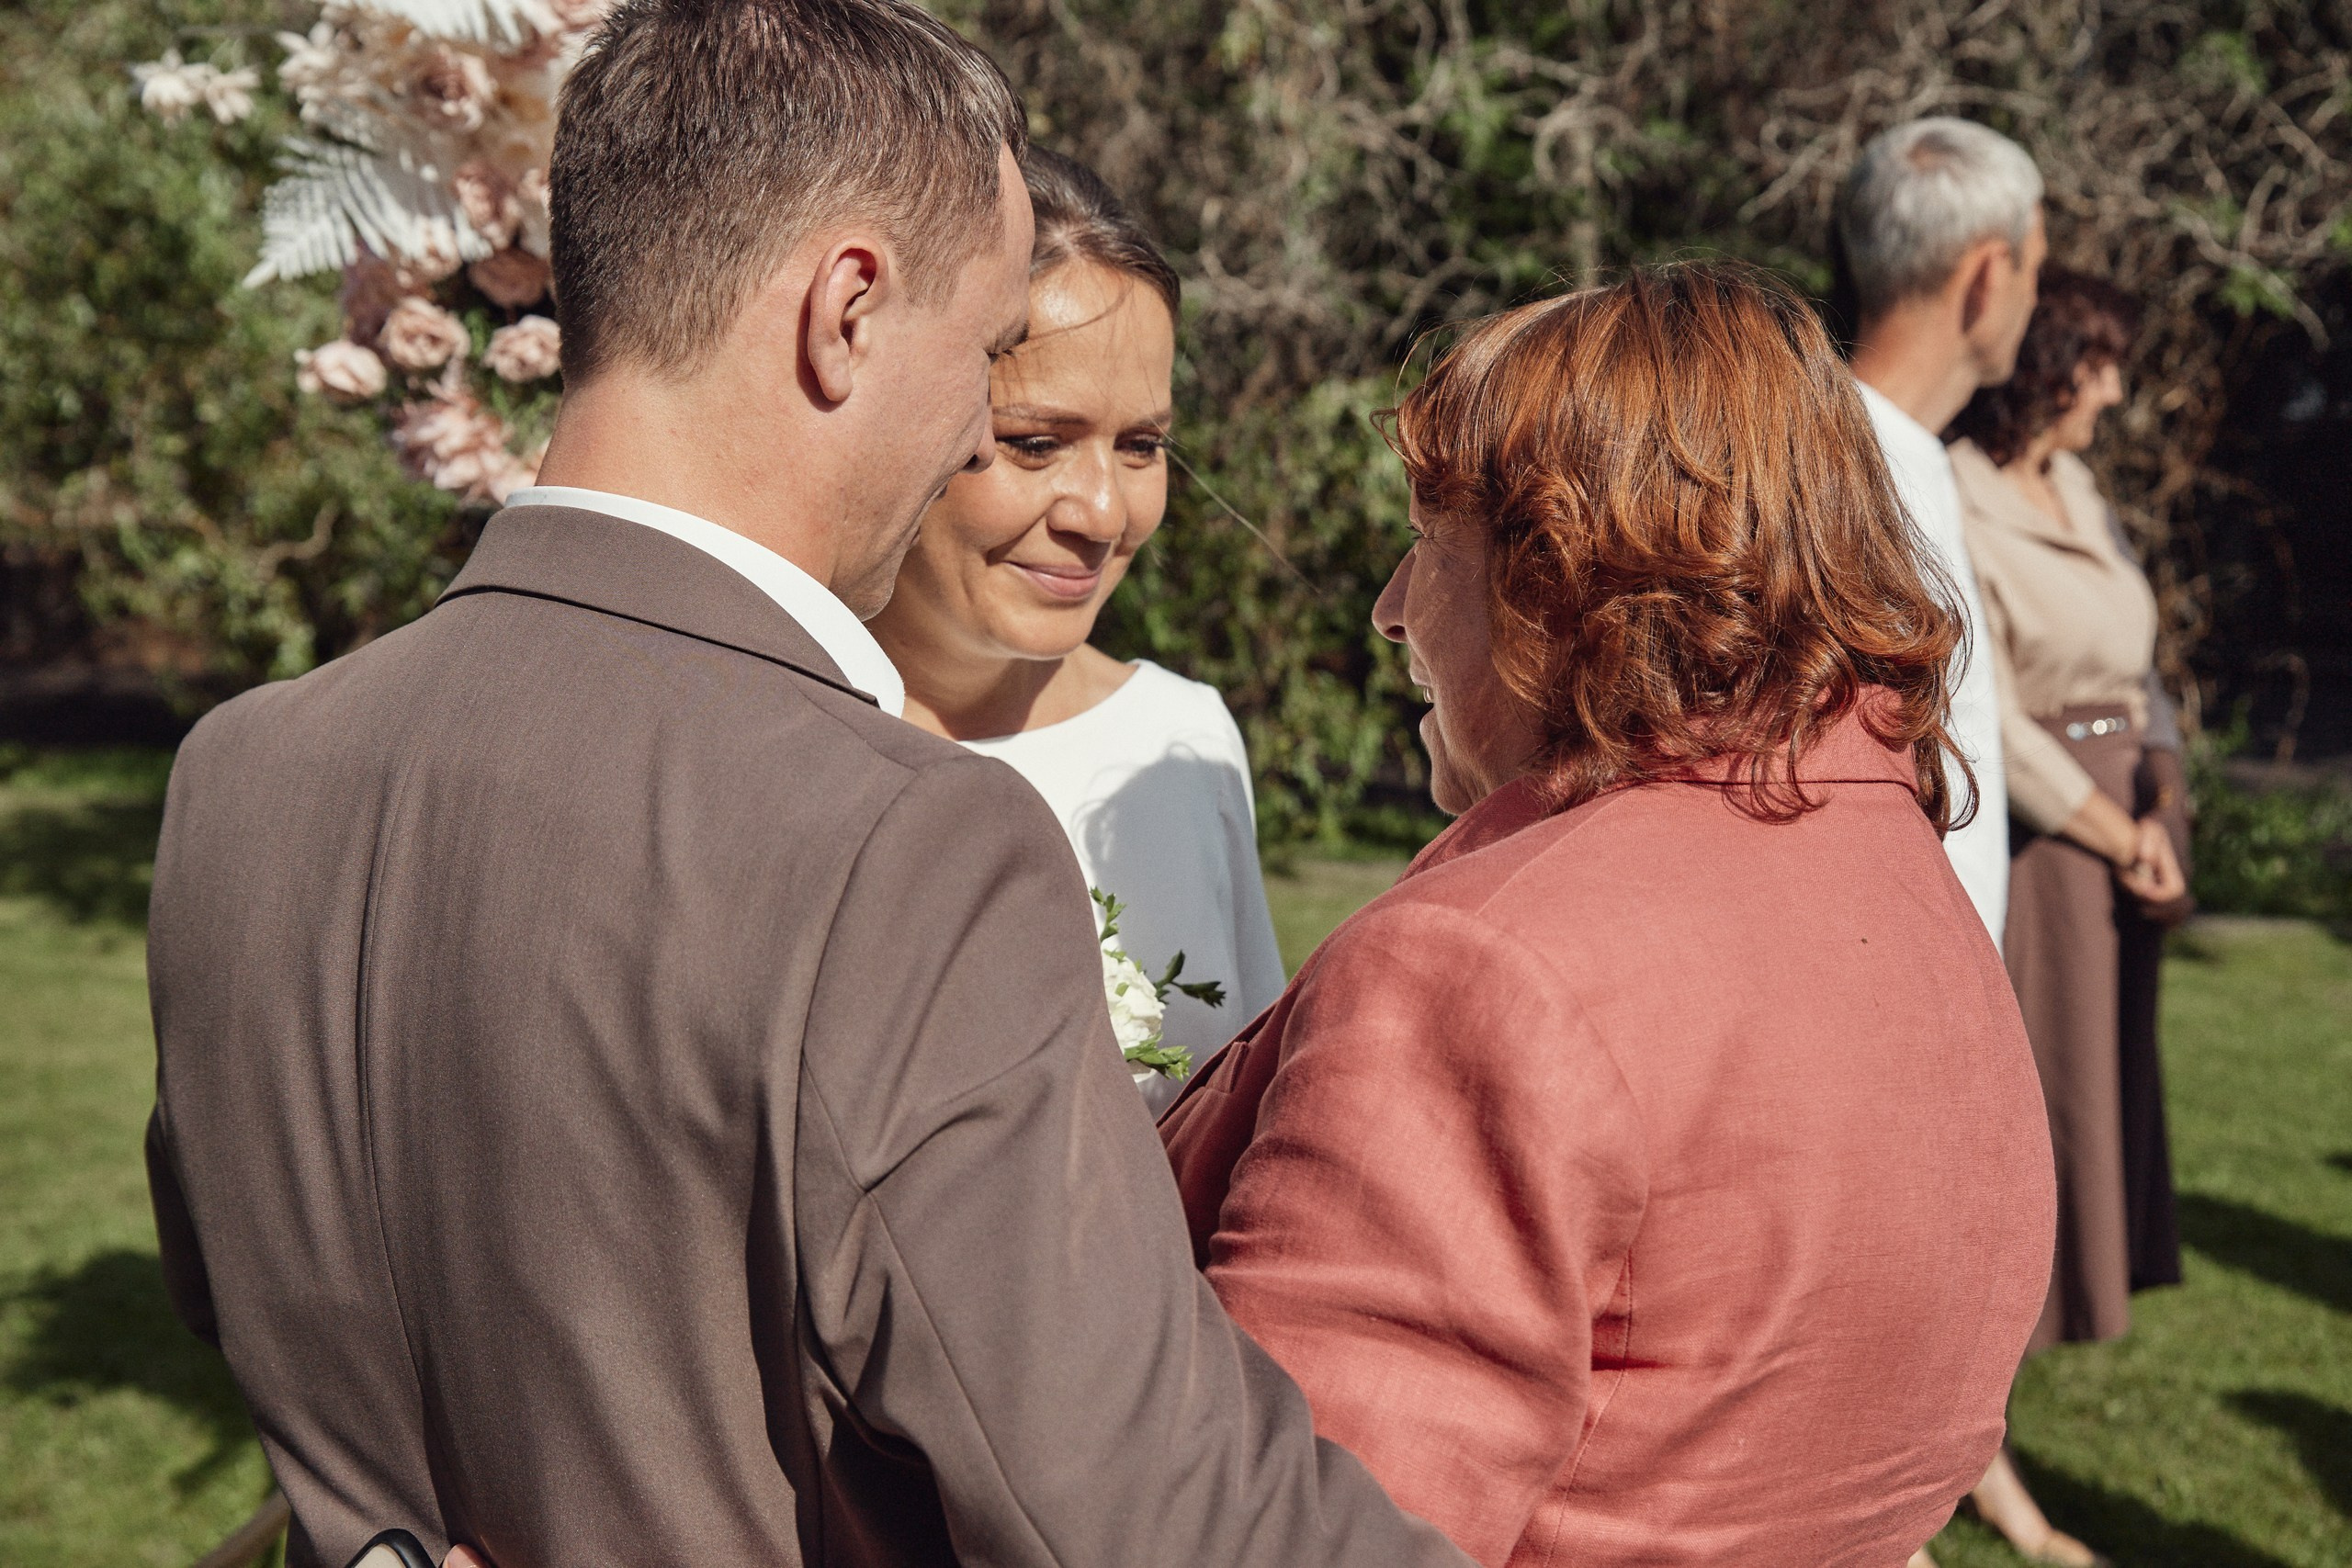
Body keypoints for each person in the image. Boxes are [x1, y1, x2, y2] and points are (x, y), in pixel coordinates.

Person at [141, 4, 1470, 1566]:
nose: (981, 422)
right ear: (847, 311)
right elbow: (1155, 1514)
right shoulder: (905, 844)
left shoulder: (243, 774)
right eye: (986, 359)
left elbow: (240, 1286)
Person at [1159, 264, 2058, 1568]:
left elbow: (1283, 1525)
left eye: (1430, 541)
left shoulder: (1481, 972)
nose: (1391, 607)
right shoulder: (1916, 903)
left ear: (1556, 576)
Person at [871, 149, 1285, 1104]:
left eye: (1141, 446)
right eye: (1036, 444)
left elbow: (1246, 1116)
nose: (1101, 512)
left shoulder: (1182, 743)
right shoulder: (788, 736)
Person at [1951, 267, 2188, 1513]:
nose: (2114, 387)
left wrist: (2160, 798)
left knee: (2094, 1122)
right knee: (2027, 1133)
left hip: (2125, 829)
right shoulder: (1961, 496)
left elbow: (2134, 659)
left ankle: (1982, 1436)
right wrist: (2107, 823)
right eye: (2098, 360)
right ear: (2048, 364)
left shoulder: (2080, 489)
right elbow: (1987, 707)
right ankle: (1969, 1448)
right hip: (2049, 847)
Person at [1839, 116, 2048, 948]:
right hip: (1894, 983)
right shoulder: (1844, 476)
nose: (2038, 294)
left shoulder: (1897, 455)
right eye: (2038, 267)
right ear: (1991, 276)